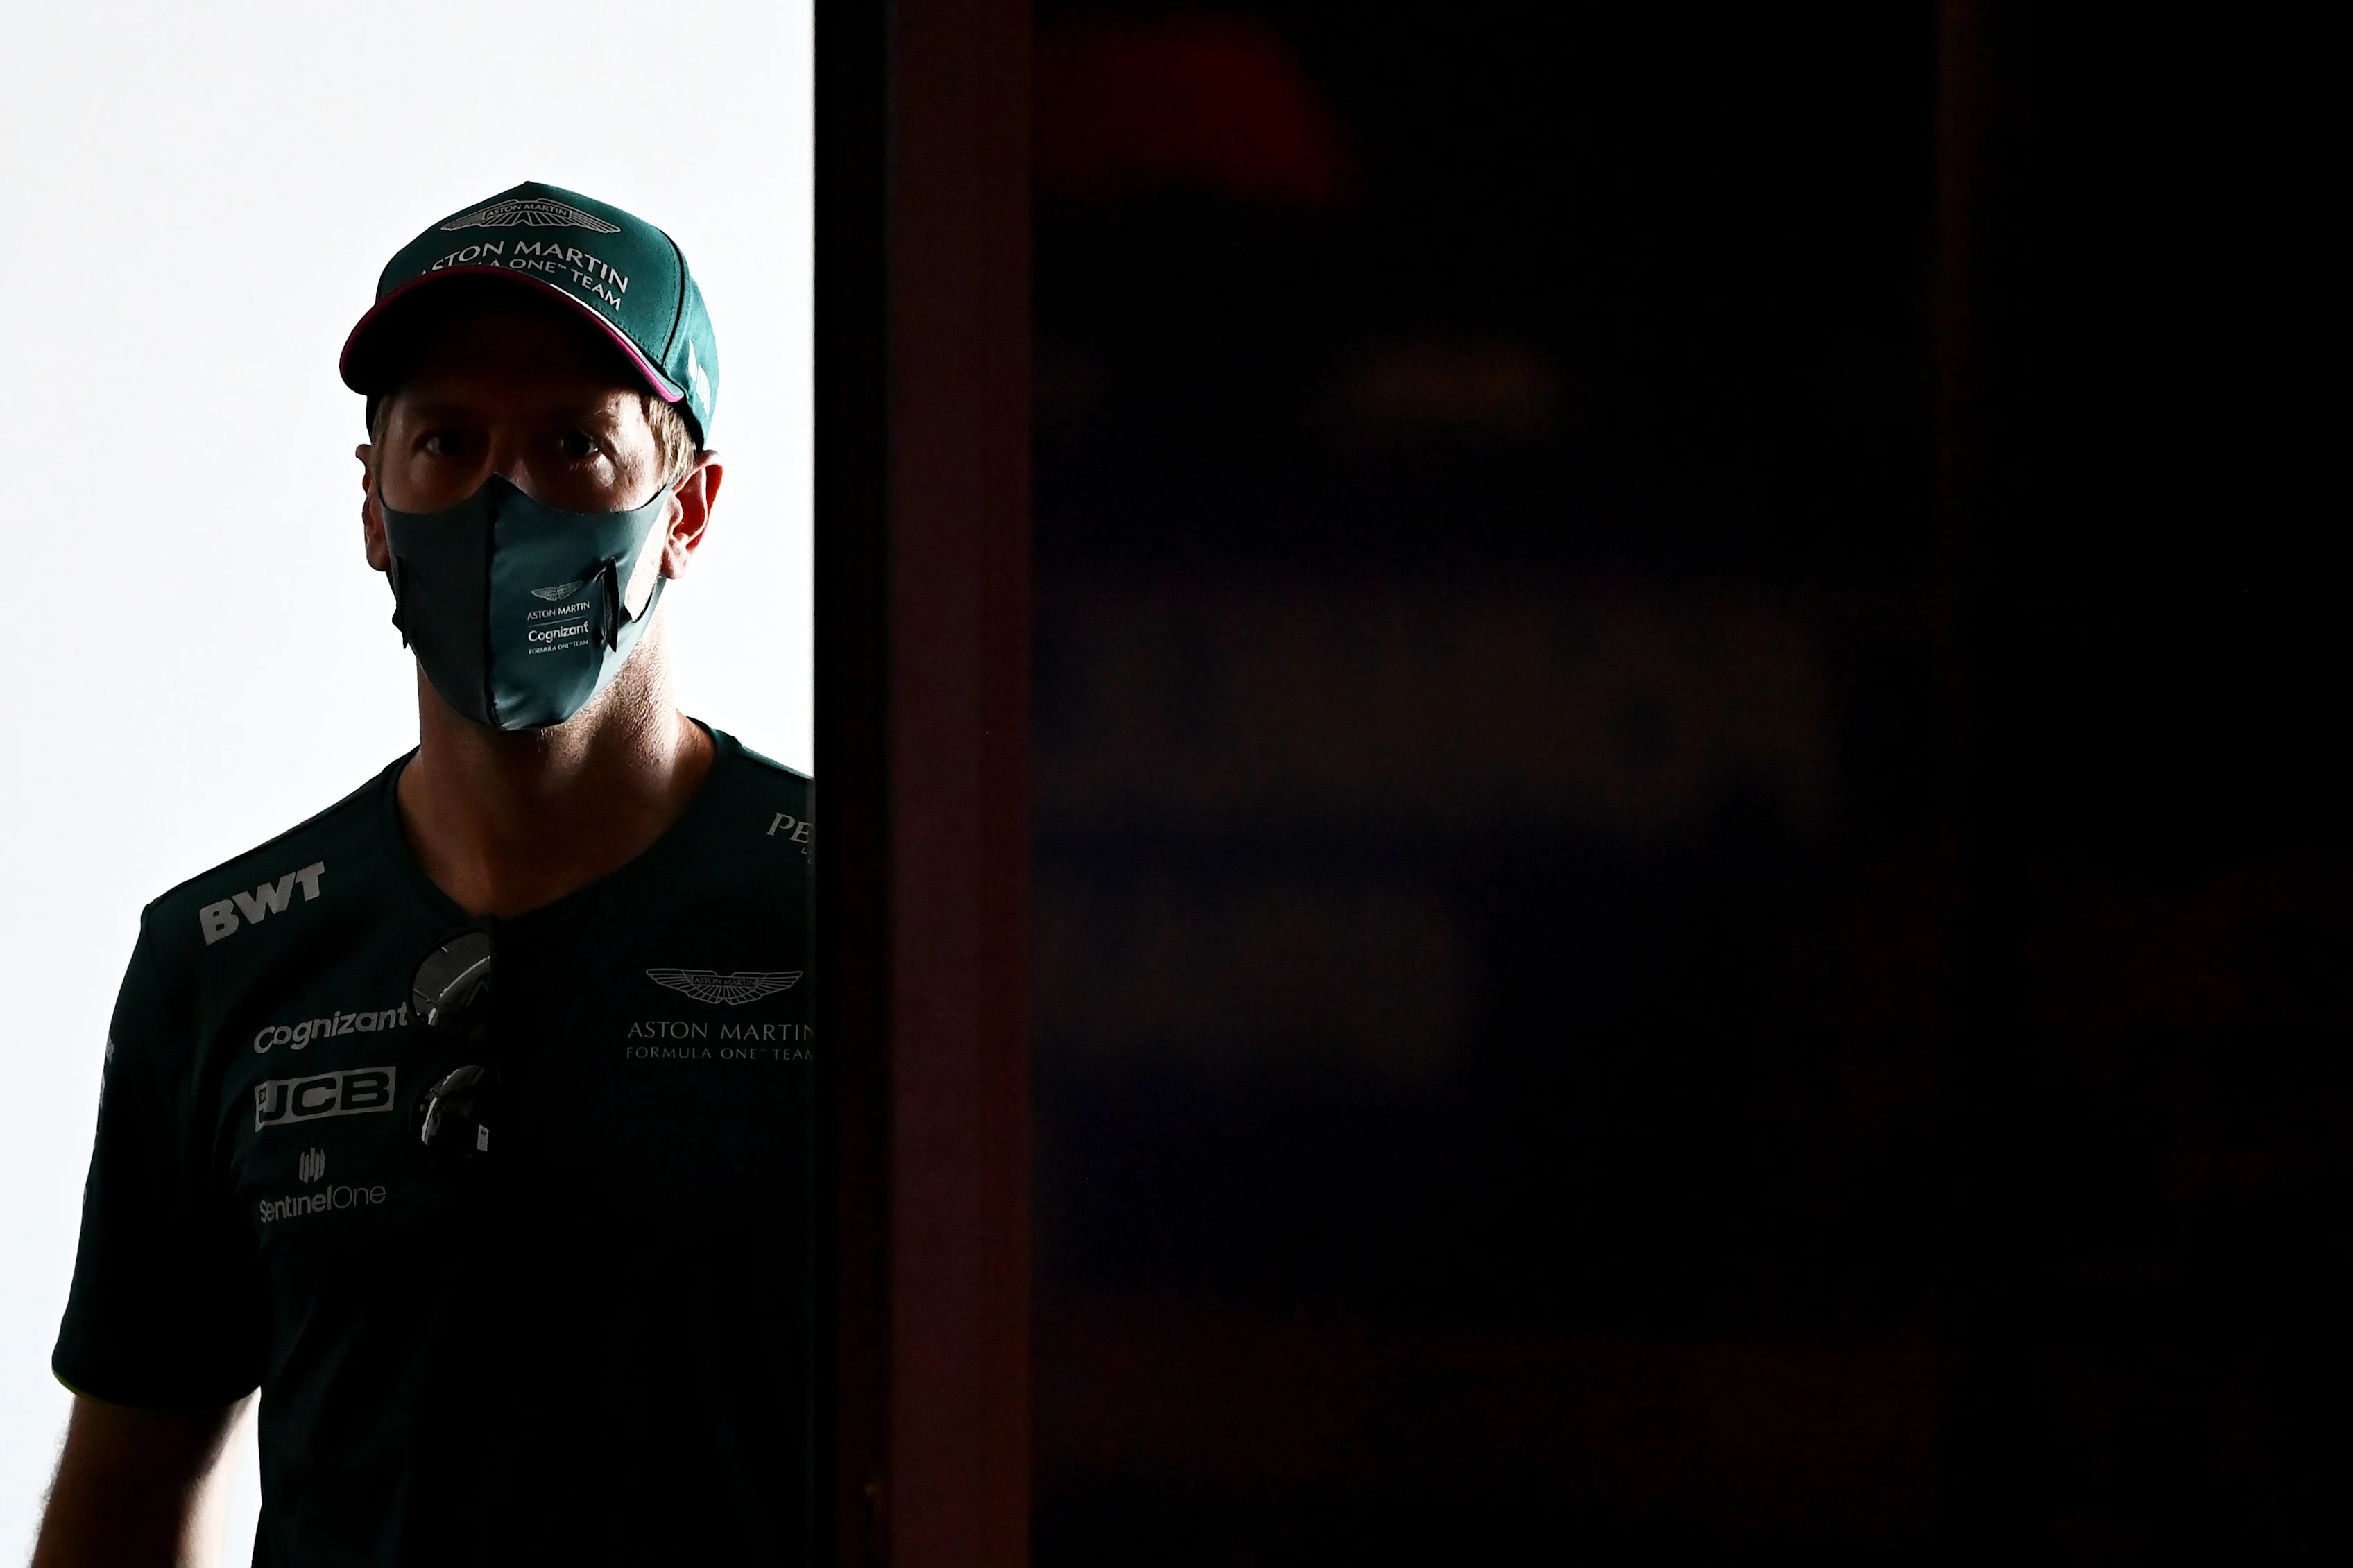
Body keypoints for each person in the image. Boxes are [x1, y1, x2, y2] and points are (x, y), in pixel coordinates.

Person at [33, 181, 814, 1567]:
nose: (502, 501)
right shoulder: (225, 960)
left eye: (575, 444)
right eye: (448, 442)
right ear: (375, 506)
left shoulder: (862, 914)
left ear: (688, 506)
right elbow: (125, 1495)